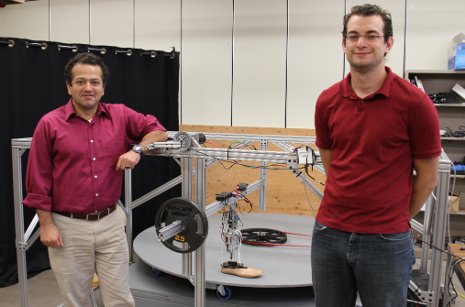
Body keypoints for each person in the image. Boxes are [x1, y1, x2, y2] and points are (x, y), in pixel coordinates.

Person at [312, 4, 441, 307]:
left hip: (386, 240)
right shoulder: (327, 101)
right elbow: (331, 160)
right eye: (354, 36)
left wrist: (397, 219)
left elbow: (428, 175)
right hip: (329, 233)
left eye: (372, 35)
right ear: (343, 43)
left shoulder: (415, 104)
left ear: (388, 43)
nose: (362, 43)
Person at [23, 52, 168, 307]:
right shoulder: (49, 124)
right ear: (69, 87)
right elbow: (38, 178)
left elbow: (157, 130)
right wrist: (46, 224)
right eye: (80, 81)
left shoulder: (120, 115)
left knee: (120, 298)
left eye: (94, 82)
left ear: (103, 87)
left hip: (111, 223)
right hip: (68, 227)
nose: (88, 87)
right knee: (75, 300)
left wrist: (137, 150)